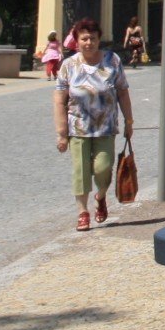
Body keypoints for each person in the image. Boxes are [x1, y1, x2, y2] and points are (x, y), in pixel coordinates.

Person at [54, 18, 133, 232]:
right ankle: (82, 212)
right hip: (77, 127)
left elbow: (123, 91)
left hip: (105, 127)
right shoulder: (68, 65)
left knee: (103, 168)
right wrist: (61, 133)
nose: (89, 42)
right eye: (84, 38)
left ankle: (100, 196)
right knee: (80, 170)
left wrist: (129, 120)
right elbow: (59, 100)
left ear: (99, 40)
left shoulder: (112, 61)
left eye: (93, 38)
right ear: (77, 41)